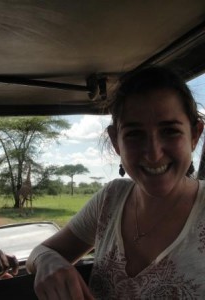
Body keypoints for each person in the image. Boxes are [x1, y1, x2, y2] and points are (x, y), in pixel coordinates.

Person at [26, 65, 205, 299]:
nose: (153, 154)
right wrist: (47, 260)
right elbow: (40, 252)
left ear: (194, 136)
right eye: (134, 134)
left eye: (170, 131)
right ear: (116, 142)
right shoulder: (110, 200)